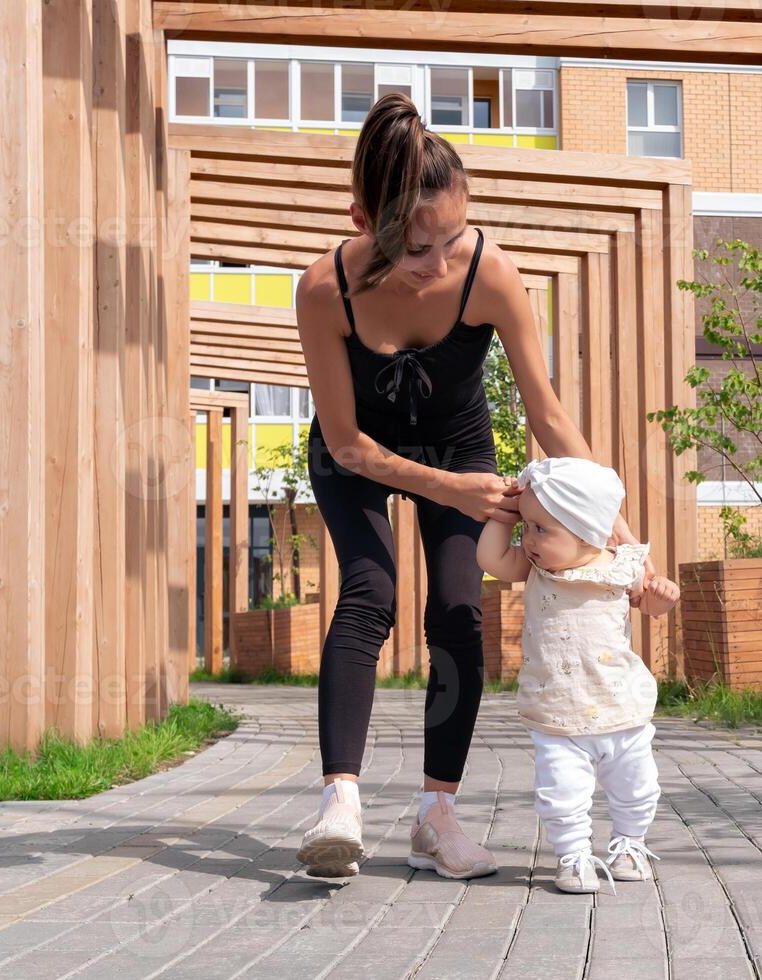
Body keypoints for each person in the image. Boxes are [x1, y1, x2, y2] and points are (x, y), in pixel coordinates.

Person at [290, 94, 666, 879]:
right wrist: (451, 489)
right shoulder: (322, 289)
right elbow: (350, 443)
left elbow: (550, 417)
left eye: (455, 234)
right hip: (355, 455)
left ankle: (437, 812)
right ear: (363, 222)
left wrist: (620, 541)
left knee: (459, 608)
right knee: (368, 590)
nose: (442, 259)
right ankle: (341, 801)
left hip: (460, 443)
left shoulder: (489, 272)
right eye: (421, 246)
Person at [476, 456, 681, 894]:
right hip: (557, 713)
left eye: (541, 529)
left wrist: (662, 598)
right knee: (561, 793)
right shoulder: (536, 570)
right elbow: (490, 557)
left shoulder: (621, 567)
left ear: (587, 529)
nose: (528, 539)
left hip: (621, 708)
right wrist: (508, 511)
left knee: (638, 788)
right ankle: (573, 855)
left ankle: (629, 844)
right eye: (525, 527)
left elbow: (649, 605)